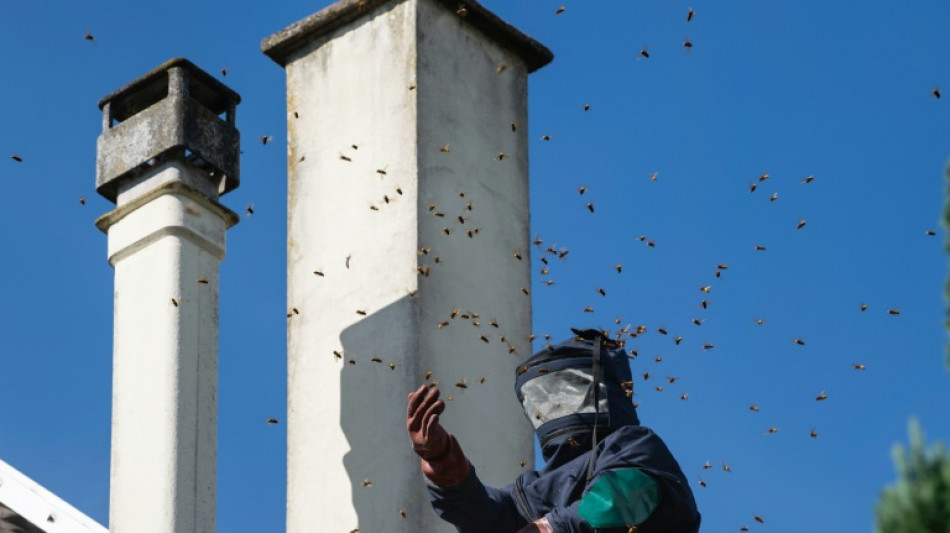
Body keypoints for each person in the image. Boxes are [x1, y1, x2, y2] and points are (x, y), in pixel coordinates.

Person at [406, 329, 701, 533]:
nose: (554, 405)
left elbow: (622, 495)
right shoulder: (534, 490)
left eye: (566, 391)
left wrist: (553, 527)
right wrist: (443, 464)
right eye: (545, 398)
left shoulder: (634, 447)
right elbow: (488, 516)